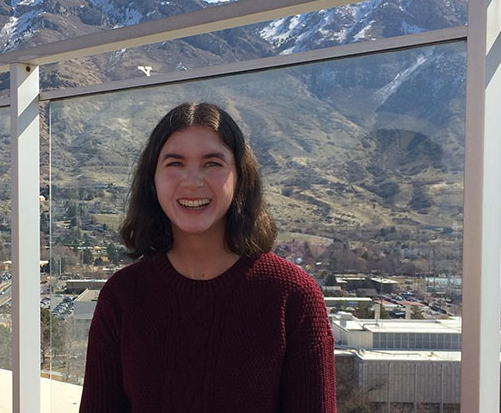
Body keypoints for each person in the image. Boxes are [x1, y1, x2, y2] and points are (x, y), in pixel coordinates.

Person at [79, 102, 336, 413]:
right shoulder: (122, 296)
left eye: (212, 164)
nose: (193, 181)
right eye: (175, 164)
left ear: (240, 177)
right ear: (153, 179)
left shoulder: (292, 296)